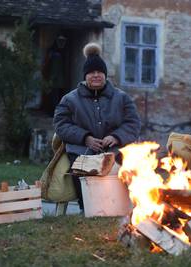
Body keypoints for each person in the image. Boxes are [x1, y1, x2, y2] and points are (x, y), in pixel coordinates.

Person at [53, 42, 141, 211]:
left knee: (124, 163)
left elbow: (133, 123)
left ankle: (118, 206)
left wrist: (116, 137)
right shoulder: (70, 99)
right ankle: (86, 207)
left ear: (105, 75)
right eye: (91, 72)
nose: (96, 75)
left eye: (99, 72)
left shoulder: (121, 98)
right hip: (81, 149)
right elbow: (61, 124)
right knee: (79, 165)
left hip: (115, 148)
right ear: (85, 76)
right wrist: (85, 138)